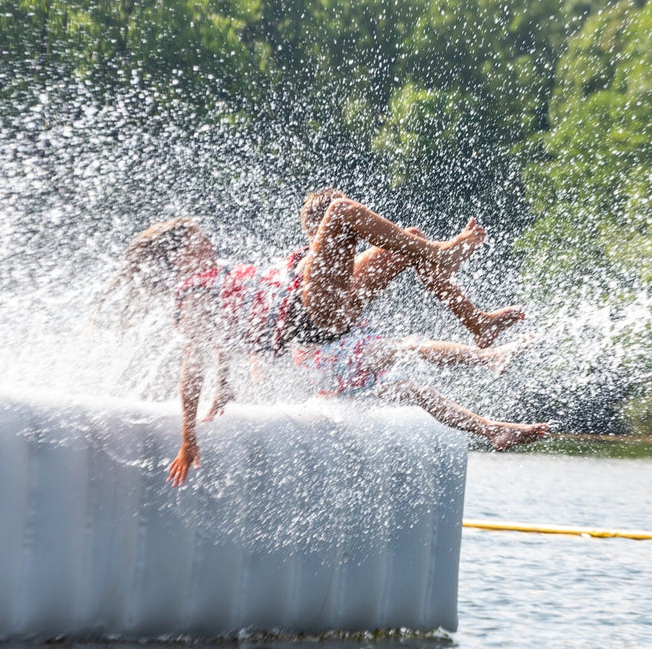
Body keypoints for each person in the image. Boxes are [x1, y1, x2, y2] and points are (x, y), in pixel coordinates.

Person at [99, 190, 547, 485]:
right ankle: (440, 255)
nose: (209, 245)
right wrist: (188, 437)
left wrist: (228, 383)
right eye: (199, 242)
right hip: (309, 315)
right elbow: (190, 368)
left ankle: (476, 321)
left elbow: (227, 337)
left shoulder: (213, 281)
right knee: (342, 213)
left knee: (402, 242)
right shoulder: (192, 295)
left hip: (327, 306)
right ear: (179, 257)